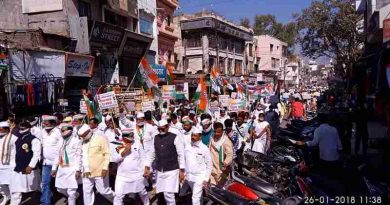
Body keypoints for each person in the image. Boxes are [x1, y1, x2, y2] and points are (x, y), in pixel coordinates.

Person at [145, 120, 185, 205]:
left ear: (167, 127)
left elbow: (181, 154)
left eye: (162, 129)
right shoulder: (155, 138)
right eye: (159, 129)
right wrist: (147, 166)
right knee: (162, 192)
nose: (160, 131)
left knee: (169, 194)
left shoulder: (175, 137)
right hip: (160, 170)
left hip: (172, 170)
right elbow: (152, 153)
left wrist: (182, 170)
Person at [296, 113, 342, 178]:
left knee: (324, 174)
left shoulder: (318, 130)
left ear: (319, 121)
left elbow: (314, 143)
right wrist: (340, 152)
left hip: (325, 159)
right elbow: (339, 143)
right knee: (333, 175)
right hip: (335, 158)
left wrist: (303, 143)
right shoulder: (333, 129)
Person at [78, 124, 114, 205]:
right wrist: (81, 169)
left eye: (84, 136)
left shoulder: (100, 139)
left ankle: (117, 200)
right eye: (81, 136)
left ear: (89, 132)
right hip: (86, 171)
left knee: (103, 191)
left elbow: (107, 153)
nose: (83, 138)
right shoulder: (81, 142)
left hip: (100, 170)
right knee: (87, 192)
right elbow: (82, 156)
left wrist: (105, 168)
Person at [113, 129, 150, 205]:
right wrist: (124, 152)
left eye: (131, 139)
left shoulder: (137, 143)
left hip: (137, 174)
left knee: (143, 193)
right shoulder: (117, 143)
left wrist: (146, 167)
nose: (130, 141)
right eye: (128, 140)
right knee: (118, 196)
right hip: (122, 176)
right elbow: (114, 160)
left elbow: (143, 157)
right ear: (123, 138)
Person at [10, 121, 41, 205]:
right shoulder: (18, 138)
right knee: (16, 189)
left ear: (29, 129)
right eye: (19, 128)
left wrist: (30, 166)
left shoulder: (34, 139)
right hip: (17, 167)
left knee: (36, 187)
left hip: (28, 167)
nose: (20, 130)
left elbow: (36, 154)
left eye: (22, 129)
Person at [52, 123, 82, 205]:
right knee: (59, 189)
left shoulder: (76, 141)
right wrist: (54, 168)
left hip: (72, 168)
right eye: (61, 130)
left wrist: (78, 170)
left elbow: (78, 156)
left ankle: (72, 199)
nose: (62, 132)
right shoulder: (60, 141)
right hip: (62, 168)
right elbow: (56, 155)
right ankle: (76, 195)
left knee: (71, 192)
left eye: (64, 130)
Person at [184, 128, 212, 205]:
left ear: (200, 137)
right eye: (192, 135)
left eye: (195, 136)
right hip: (189, 177)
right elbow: (184, 159)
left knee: (195, 198)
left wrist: (206, 178)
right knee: (197, 196)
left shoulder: (204, 148)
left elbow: (209, 164)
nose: (193, 137)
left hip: (199, 177)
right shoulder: (187, 146)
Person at [40, 115, 62, 205]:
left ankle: (73, 196)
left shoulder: (58, 132)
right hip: (46, 163)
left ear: (52, 123)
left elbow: (59, 150)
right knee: (45, 183)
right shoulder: (42, 132)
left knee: (61, 185)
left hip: (58, 163)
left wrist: (54, 167)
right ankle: (46, 202)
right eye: (44, 122)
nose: (44, 124)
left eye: (47, 122)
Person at [209, 122, 233, 187]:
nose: (216, 134)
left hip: (220, 169)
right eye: (215, 132)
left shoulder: (226, 141)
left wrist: (226, 162)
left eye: (218, 132)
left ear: (222, 131)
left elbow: (229, 154)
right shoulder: (212, 138)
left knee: (221, 189)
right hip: (211, 167)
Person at [0, 121, 18, 205]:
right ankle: (6, 196)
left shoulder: (14, 138)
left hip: (11, 165)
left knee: (13, 186)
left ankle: (14, 202)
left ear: (6, 129)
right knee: (1, 185)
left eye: (0, 129)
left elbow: (18, 152)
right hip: (0, 165)